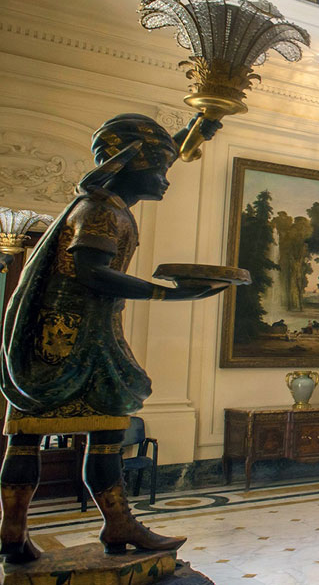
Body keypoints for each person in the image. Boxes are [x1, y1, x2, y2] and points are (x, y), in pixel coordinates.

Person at [0, 113, 225, 563]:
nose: (165, 179)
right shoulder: (100, 210)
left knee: (85, 427)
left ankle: (76, 525)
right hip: (70, 337)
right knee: (41, 429)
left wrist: (201, 124)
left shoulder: (110, 202)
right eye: (159, 170)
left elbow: (157, 161)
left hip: (77, 332)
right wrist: (166, 294)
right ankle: (32, 526)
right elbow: (91, 272)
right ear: (128, 165)